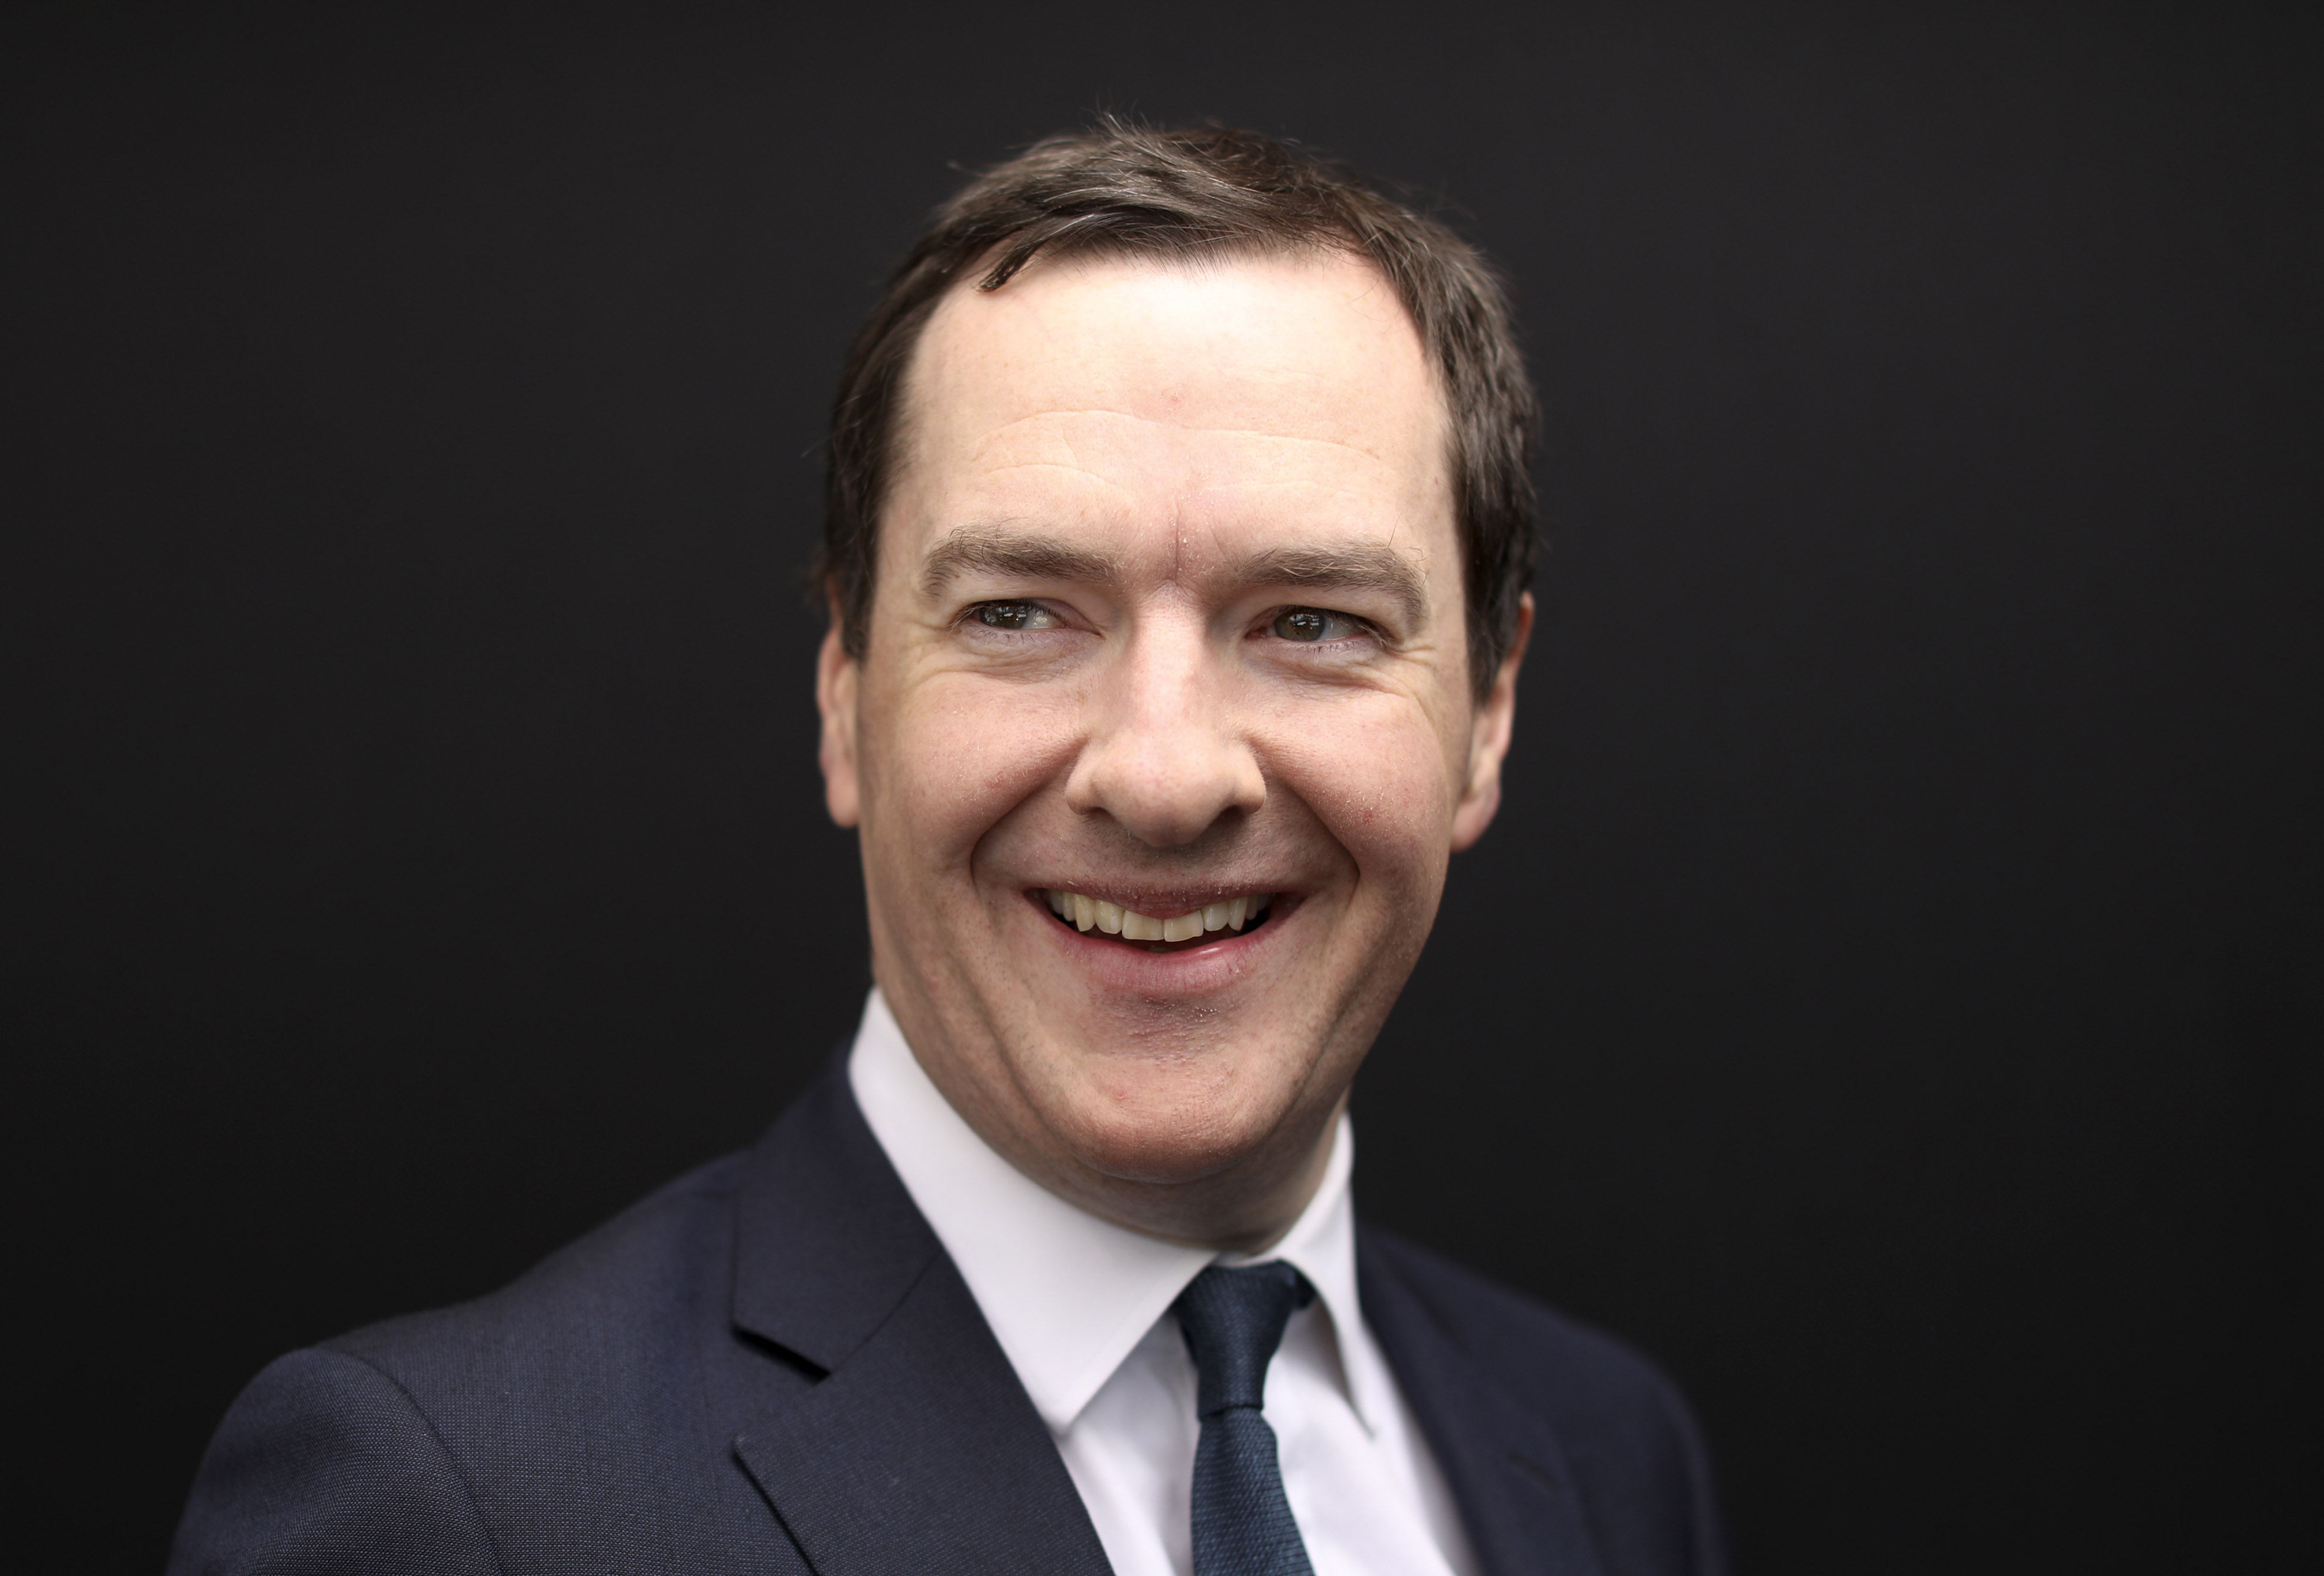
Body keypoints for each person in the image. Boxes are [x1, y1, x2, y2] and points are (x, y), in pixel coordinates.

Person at [171, 122, 1730, 1576]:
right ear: (844, 697)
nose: (1165, 776)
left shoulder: (1608, 1459)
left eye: (1312, 622)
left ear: (1487, 712)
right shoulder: (447, 1507)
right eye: (1021, 613)